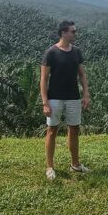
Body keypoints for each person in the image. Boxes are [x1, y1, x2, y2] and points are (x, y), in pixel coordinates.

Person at [40, 20, 91, 179]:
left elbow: (82, 74)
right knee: (52, 130)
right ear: (64, 33)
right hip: (55, 98)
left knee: (74, 129)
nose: (75, 34)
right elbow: (43, 79)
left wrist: (86, 94)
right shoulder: (51, 53)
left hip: (73, 98)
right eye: (73, 31)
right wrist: (45, 102)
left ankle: (75, 164)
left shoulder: (77, 52)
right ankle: (49, 167)